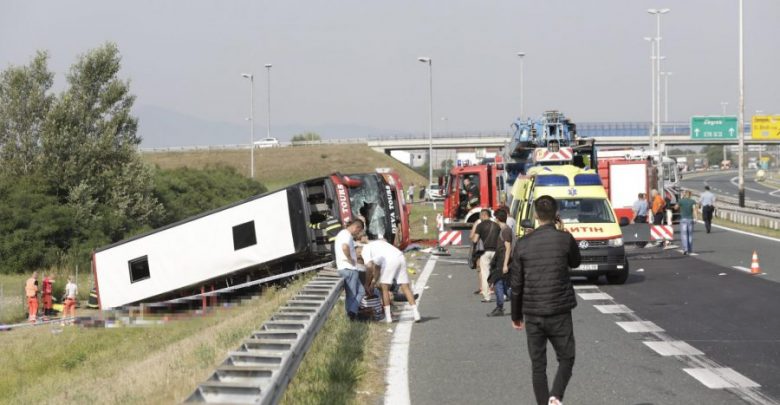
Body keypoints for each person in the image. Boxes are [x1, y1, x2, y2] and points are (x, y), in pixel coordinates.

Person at [511, 195, 581, 405]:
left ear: (534, 215)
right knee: (567, 357)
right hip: (559, 310)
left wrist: (516, 315)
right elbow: (576, 262)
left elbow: (516, 285)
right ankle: (555, 396)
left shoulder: (522, 244)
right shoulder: (564, 239)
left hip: (532, 312)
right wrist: (563, 230)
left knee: (538, 365)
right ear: (556, 214)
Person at [361, 239, 421, 323]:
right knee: (405, 287)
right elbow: (377, 268)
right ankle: (416, 314)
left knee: (384, 289)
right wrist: (373, 283)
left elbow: (369, 266)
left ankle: (388, 318)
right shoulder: (378, 243)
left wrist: (366, 284)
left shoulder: (365, 249)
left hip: (389, 261)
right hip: (400, 257)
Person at [335, 219, 366, 320]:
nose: (358, 233)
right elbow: (344, 247)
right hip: (349, 268)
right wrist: (350, 259)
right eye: (359, 231)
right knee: (351, 295)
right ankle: (350, 317)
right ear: (356, 227)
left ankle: (352, 311)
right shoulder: (347, 235)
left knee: (361, 291)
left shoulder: (342, 234)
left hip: (346, 268)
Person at [487, 209, 513, 317]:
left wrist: (505, 264)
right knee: (505, 285)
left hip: (503, 261)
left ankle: (500, 307)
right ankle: (519, 303)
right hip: (501, 260)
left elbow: (508, 248)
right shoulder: (503, 230)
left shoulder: (505, 231)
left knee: (498, 283)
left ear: (497, 219)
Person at [471, 209, 500, 303]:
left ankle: (487, 296)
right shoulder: (496, 225)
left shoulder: (480, 225)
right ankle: (501, 294)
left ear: (483, 215)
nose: (480, 218)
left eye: (480, 216)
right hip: (496, 251)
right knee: (496, 273)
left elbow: (475, 240)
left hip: (485, 252)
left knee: (485, 273)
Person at [676, 190, 698, 255]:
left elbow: (676, 207)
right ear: (690, 195)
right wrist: (696, 218)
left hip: (683, 219)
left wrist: (680, 200)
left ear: (684, 195)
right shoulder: (692, 201)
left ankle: (685, 249)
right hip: (690, 219)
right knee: (690, 235)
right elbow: (694, 210)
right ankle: (690, 249)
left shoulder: (681, 201)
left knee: (684, 235)